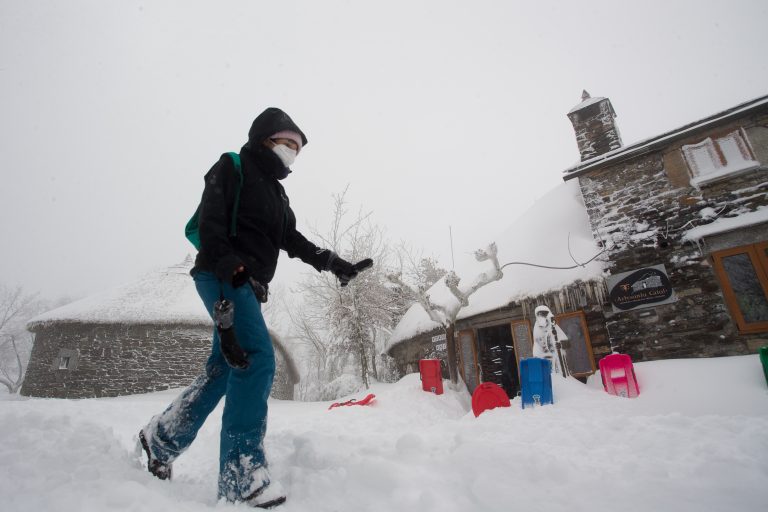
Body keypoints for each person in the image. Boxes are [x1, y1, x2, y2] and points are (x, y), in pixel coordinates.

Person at [138, 108, 368, 509]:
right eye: (286, 143)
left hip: (249, 285)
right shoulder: (232, 166)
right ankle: (241, 474)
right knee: (258, 360)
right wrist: (228, 261)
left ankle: (161, 440)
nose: (291, 152)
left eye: (297, 148)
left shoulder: (278, 194)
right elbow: (210, 218)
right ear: (265, 138)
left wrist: (334, 263)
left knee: (225, 367)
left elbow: (292, 240)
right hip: (224, 273)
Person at [532, 305, 569, 376]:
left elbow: (567, 343)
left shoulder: (554, 328)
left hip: (557, 361)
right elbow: (537, 348)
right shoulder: (537, 331)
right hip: (544, 363)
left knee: (559, 377)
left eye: (544, 314)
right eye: (540, 315)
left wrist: (560, 344)